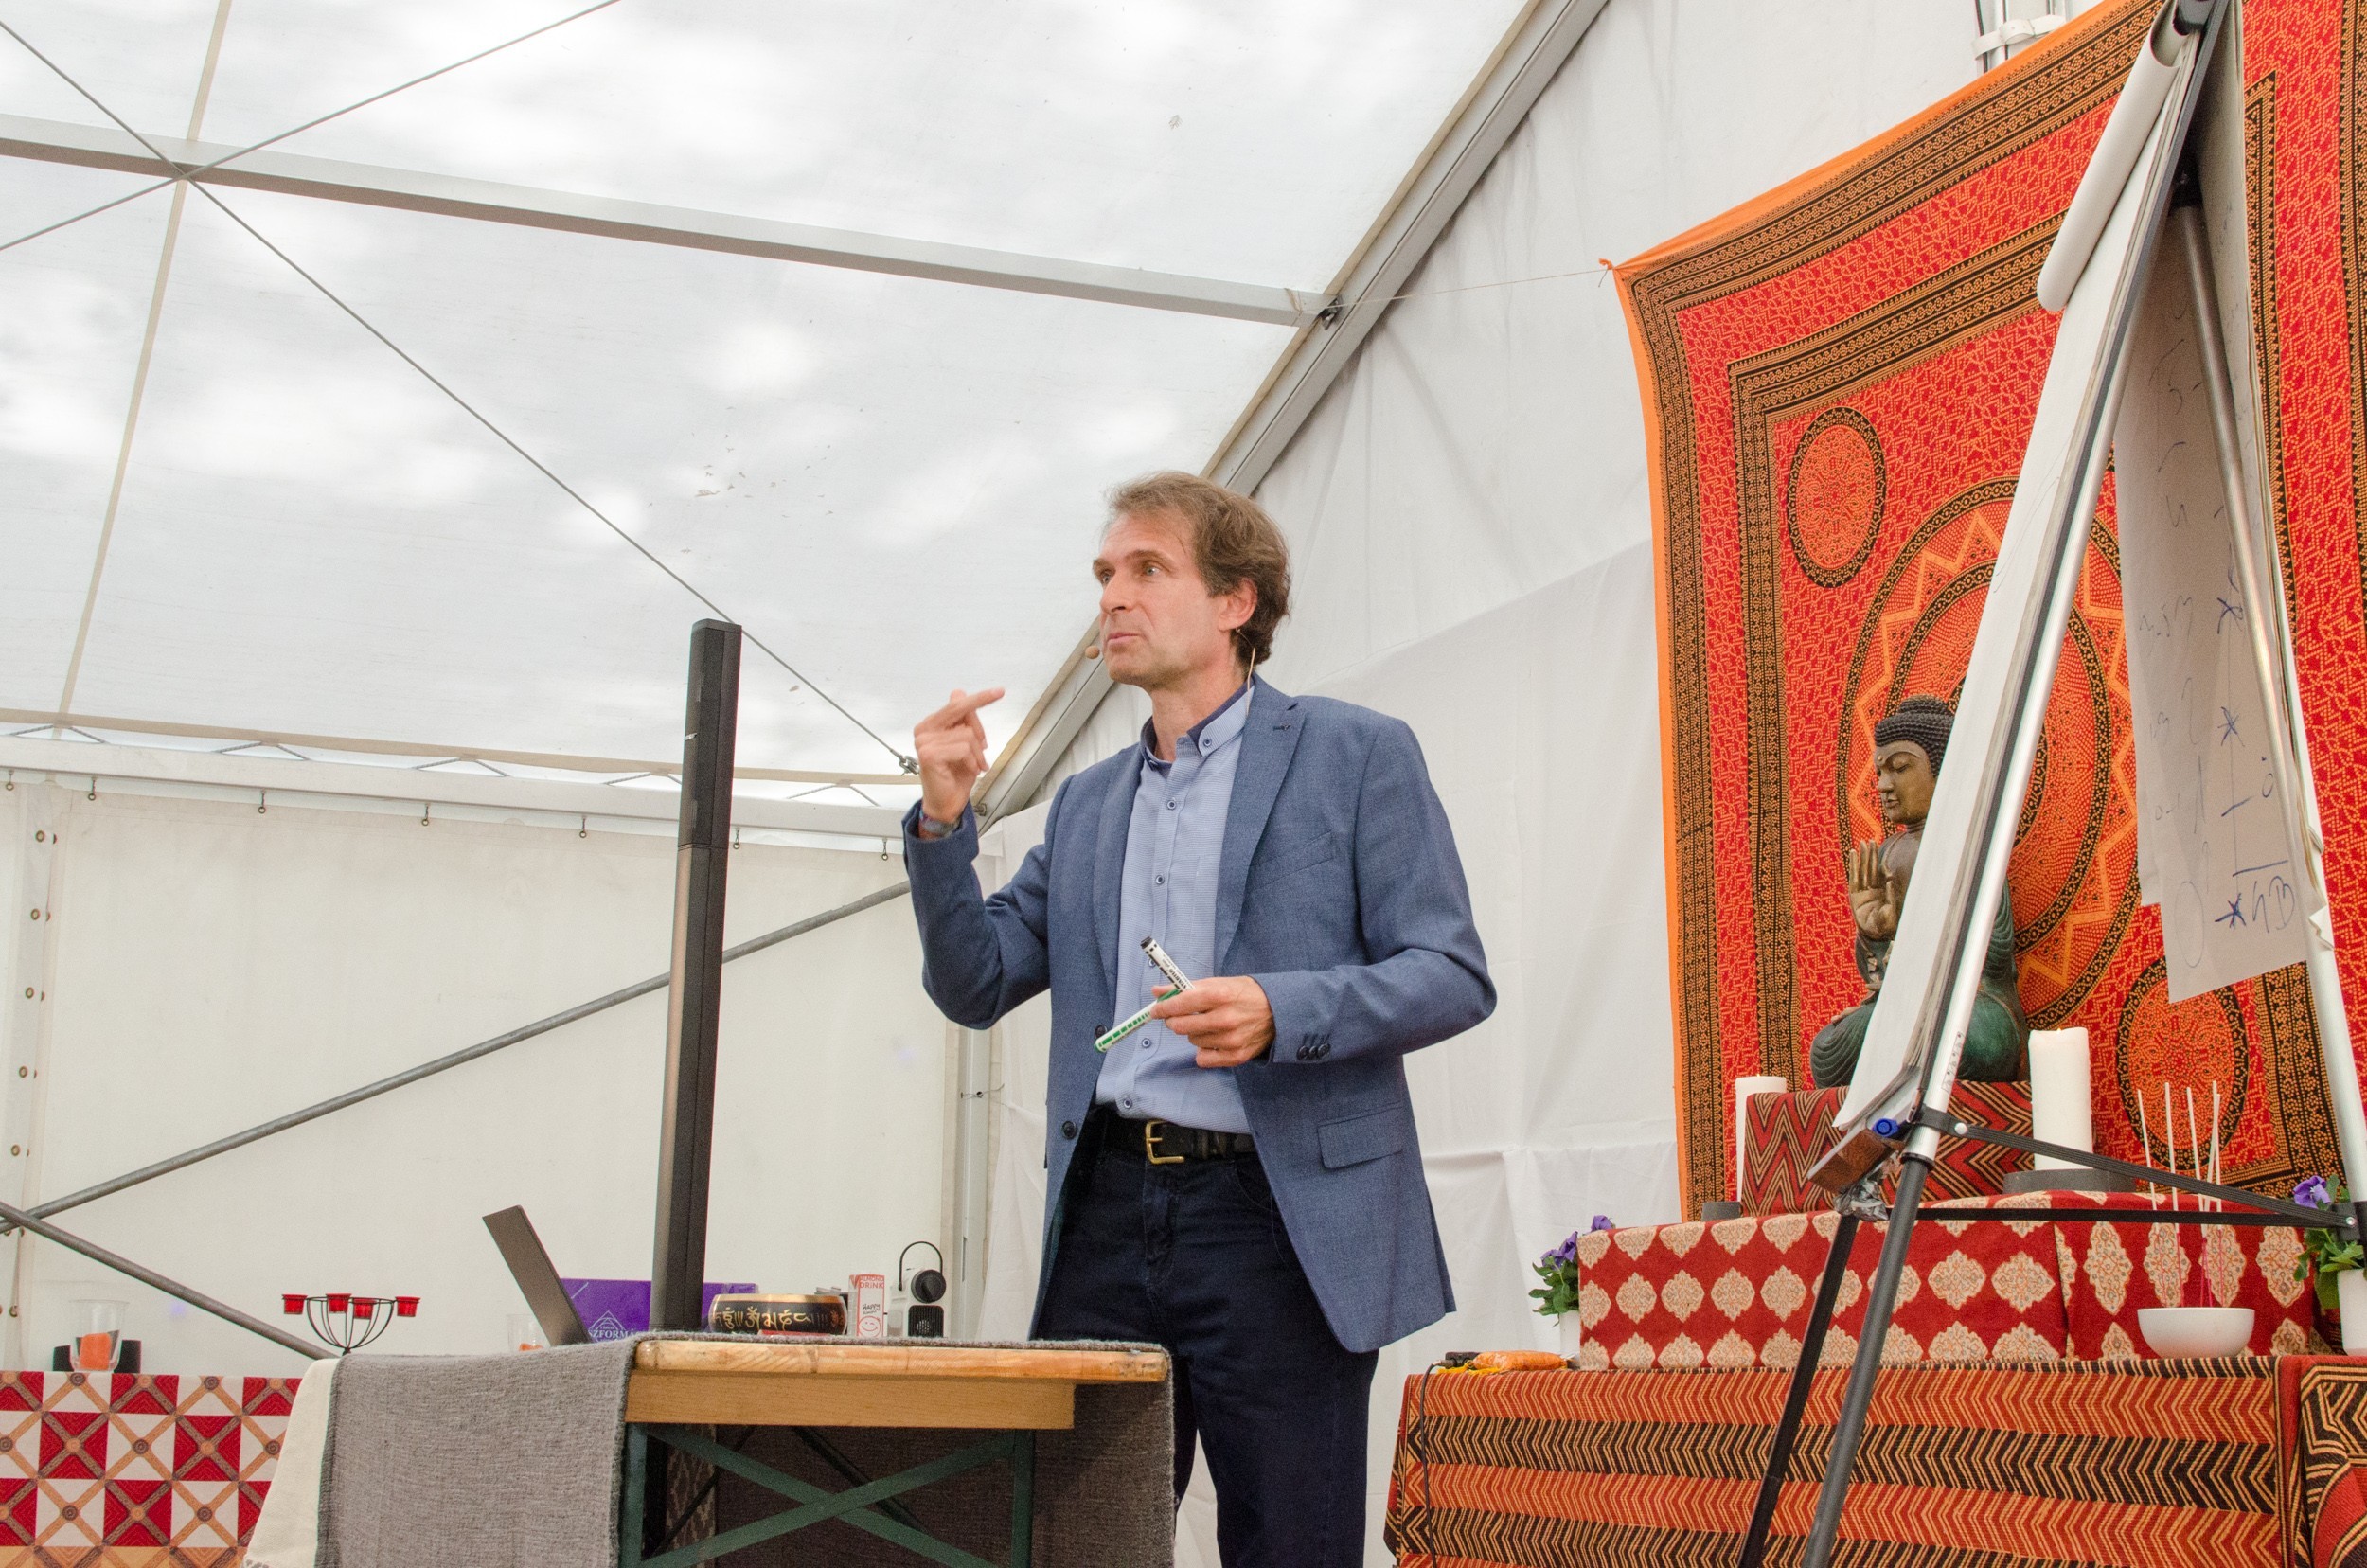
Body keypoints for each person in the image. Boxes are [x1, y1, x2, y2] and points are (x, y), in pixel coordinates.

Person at [900, 472, 1493, 1567]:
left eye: (1147, 569)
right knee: (1080, 1547)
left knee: (1289, 1545)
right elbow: (974, 984)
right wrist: (943, 825)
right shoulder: (1086, 804)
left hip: (1278, 1216)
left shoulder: (1357, 753)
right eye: (1103, 574)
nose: (1112, 597)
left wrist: (1282, 1008)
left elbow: (1450, 973)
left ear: (1236, 600)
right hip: (1105, 1212)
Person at [1808, 693, 2027, 1088]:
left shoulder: (1971, 843)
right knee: (1827, 1051)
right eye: (1880, 772)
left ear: (1944, 772)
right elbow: (1878, 972)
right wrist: (1876, 933)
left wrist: (1914, 946)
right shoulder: (1889, 853)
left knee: (1955, 1037)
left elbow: (1994, 952)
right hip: (1907, 1008)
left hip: (1973, 1006)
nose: (1883, 785)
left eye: (1900, 768)